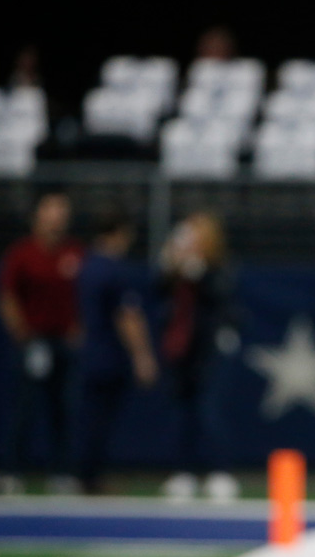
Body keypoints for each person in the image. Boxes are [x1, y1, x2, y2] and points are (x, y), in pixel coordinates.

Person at [0, 192, 84, 495]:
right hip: (33, 340)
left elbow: (84, 295)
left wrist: (77, 329)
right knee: (25, 409)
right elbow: (7, 295)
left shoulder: (74, 252)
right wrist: (21, 332)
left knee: (64, 410)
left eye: (62, 212)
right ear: (38, 216)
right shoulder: (22, 253)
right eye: (51, 212)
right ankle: (12, 471)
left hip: (64, 341)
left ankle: (61, 472)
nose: (57, 219)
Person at [157, 211, 242, 501]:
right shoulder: (175, 268)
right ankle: (183, 472)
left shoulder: (218, 267)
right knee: (181, 412)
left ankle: (220, 471)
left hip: (209, 351)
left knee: (210, 411)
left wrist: (199, 272)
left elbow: (222, 297)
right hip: (181, 350)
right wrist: (172, 265)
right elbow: (158, 290)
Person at [76, 208, 159, 494]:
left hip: (90, 350)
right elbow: (127, 317)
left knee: (91, 416)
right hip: (108, 354)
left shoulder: (87, 265)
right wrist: (143, 356)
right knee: (100, 419)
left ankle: (85, 473)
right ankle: (90, 477)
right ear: (120, 233)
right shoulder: (112, 269)